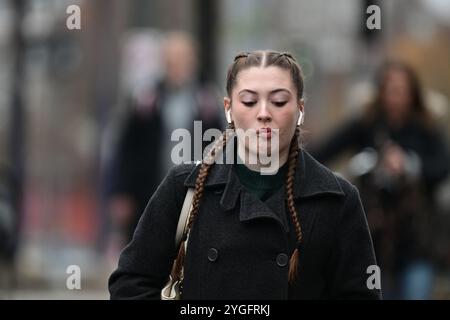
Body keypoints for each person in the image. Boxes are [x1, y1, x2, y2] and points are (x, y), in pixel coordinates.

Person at [108, 50, 381, 299]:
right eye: (249, 101)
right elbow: (129, 285)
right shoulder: (184, 187)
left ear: (300, 110)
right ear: (228, 109)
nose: (263, 114)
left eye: (278, 101)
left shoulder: (337, 198)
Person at [308, 61, 450, 299]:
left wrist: (409, 165)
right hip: (373, 240)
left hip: (418, 242)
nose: (396, 96)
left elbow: (442, 169)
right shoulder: (366, 126)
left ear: (413, 93)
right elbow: (322, 152)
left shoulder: (426, 129)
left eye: (402, 90)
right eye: (390, 89)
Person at [107, 31, 223, 249]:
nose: (177, 66)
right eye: (171, 60)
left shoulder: (206, 100)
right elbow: (126, 149)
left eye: (182, 60)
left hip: (196, 193)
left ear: (193, 61)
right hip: (150, 191)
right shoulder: (146, 100)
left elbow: (221, 148)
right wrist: (121, 192)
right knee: (149, 250)